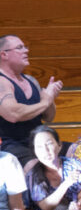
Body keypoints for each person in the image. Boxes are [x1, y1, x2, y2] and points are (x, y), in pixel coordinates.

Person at [0, 35, 62, 165]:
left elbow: (49, 117)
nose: (26, 51)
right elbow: (13, 114)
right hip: (9, 144)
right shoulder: (2, 82)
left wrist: (50, 99)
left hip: (38, 142)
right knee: (36, 167)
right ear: (4, 54)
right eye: (19, 48)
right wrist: (45, 102)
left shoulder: (32, 80)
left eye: (25, 47)